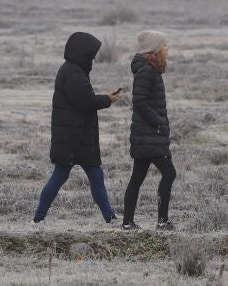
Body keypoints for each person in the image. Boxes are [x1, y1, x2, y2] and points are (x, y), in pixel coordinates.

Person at [32, 32, 121, 224]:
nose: (95, 57)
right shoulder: (73, 72)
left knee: (92, 176)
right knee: (67, 177)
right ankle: (38, 219)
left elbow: (82, 99)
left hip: (77, 137)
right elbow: (86, 101)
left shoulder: (74, 70)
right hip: (74, 139)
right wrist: (107, 99)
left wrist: (104, 97)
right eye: (92, 53)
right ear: (84, 52)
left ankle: (110, 218)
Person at [122, 30, 176, 231]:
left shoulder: (151, 69)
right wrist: (159, 122)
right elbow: (139, 102)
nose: (167, 48)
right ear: (155, 49)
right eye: (164, 45)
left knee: (137, 177)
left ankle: (128, 223)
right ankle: (162, 221)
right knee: (169, 173)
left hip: (147, 135)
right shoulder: (146, 71)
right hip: (149, 134)